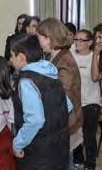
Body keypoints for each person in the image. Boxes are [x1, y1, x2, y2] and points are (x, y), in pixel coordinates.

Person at [10, 35, 72, 169]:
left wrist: (18, 144)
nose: (10, 60)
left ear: (21, 57)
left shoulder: (26, 81)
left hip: (38, 153)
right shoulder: (51, 74)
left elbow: (35, 120)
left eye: (11, 56)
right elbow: (68, 106)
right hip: (60, 148)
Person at [36, 18, 82, 169]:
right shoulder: (54, 56)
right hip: (59, 121)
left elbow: (63, 96)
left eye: (40, 38)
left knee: (63, 163)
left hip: (65, 122)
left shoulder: (64, 61)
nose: (39, 42)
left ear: (50, 38)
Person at [70, 29, 101, 169]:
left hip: (91, 103)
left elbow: (95, 78)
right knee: (74, 134)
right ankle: (78, 160)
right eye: (76, 39)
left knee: (89, 136)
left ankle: (90, 164)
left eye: (81, 40)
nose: (77, 42)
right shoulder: (71, 55)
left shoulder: (96, 57)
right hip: (74, 103)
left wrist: (96, 53)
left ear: (90, 43)